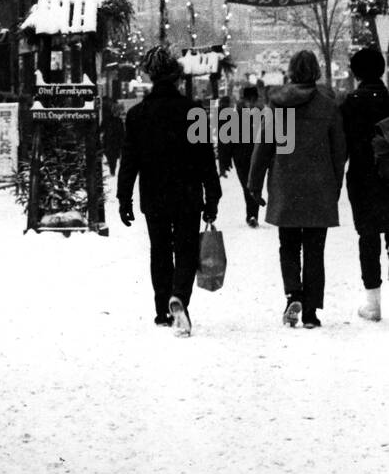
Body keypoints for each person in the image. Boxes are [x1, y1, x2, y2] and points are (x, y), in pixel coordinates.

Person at [118, 45, 221, 337]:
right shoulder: (192, 112)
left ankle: (163, 308)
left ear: (151, 76)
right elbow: (205, 159)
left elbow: (129, 160)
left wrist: (124, 197)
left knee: (160, 250)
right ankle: (179, 297)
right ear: (177, 77)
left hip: (153, 194)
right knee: (186, 249)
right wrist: (212, 195)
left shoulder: (138, 115)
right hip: (187, 193)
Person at [249, 49, 346, 330]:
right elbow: (339, 151)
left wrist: (254, 185)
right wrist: (335, 183)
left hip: (285, 185)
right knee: (315, 250)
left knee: (288, 245)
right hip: (319, 187)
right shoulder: (328, 105)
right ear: (316, 71)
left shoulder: (276, 104)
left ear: (290, 71)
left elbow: (263, 147)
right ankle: (312, 311)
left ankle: (294, 293)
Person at [340, 46, 389, 321]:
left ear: (356, 73)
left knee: (368, 237)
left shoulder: (351, 103)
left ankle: (373, 303)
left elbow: (341, 146)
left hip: (362, 179)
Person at [222, 84, 263, 227]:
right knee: (251, 185)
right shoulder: (257, 111)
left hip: (245, 156)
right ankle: (252, 214)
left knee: (249, 185)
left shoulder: (238, 112)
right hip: (249, 155)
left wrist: (225, 160)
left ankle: (252, 214)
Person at [101, 98, 125, 177]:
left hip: (110, 140)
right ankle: (112, 169)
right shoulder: (118, 121)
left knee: (111, 155)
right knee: (112, 155)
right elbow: (122, 133)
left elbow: (102, 128)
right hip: (113, 140)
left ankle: (112, 169)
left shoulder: (109, 119)